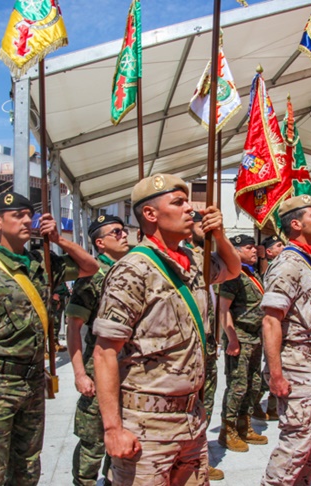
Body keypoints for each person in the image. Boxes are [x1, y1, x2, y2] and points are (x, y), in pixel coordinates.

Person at [0, 191, 97, 485]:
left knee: (27, 467)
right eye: (18, 215)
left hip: (32, 382)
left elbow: (90, 267)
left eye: (30, 214)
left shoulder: (43, 263)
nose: (28, 220)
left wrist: (60, 240)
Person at [93, 174, 240, 485]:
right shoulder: (134, 269)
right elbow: (105, 352)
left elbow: (231, 269)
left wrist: (221, 235)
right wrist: (113, 429)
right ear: (150, 214)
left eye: (187, 201)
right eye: (178, 202)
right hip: (146, 424)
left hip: (191, 419)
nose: (190, 209)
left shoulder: (192, 260)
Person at [259, 196, 311, 486]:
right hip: (298, 363)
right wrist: (276, 374)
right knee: (296, 443)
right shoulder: (288, 263)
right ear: (296, 224)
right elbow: (271, 321)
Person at [66, 214, 129, 486]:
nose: (124, 235)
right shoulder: (92, 276)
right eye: (116, 232)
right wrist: (80, 374)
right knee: (93, 439)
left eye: (124, 230)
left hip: (126, 367)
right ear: (100, 243)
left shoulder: (129, 269)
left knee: (122, 435)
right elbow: (73, 328)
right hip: (98, 366)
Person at [183, 209, 225, 481]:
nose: (204, 227)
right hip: (188, 351)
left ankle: (200, 457)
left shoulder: (206, 258)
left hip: (209, 345)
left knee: (206, 402)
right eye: (200, 223)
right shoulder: (185, 257)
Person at [218, 234, 267, 454]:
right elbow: (223, 309)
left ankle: (243, 424)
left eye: (254, 247)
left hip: (255, 337)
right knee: (237, 386)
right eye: (248, 248)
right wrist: (232, 339)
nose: (254, 251)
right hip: (240, 335)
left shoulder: (252, 273)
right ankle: (227, 431)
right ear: (236, 251)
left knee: (253, 383)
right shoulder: (233, 275)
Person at [252, 235, 285, 423]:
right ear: (270, 252)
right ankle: (255, 403)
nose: (283, 248)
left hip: (280, 326)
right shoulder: (274, 269)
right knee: (270, 367)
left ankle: (272, 407)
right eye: (278, 246)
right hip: (272, 325)